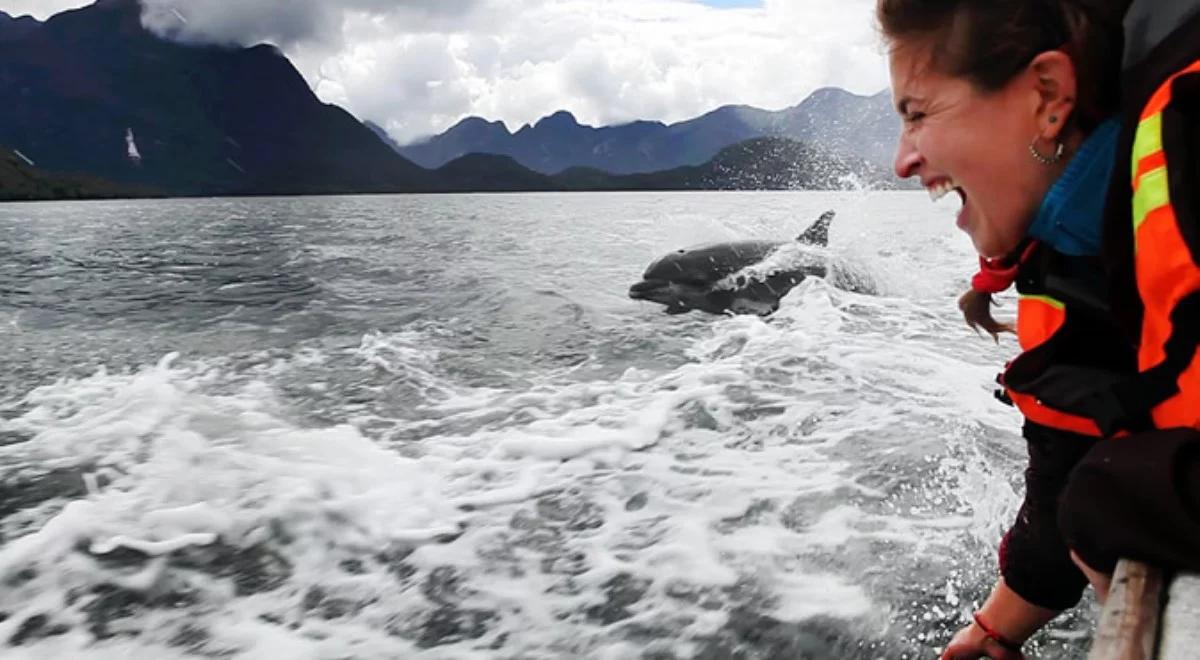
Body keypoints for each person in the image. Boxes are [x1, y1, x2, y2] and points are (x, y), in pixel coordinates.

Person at [876, 0, 1134, 658]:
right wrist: (993, 633)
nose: (902, 161)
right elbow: (1064, 475)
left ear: (1047, 96)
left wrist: (1114, 504)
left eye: (918, 114)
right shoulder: (1073, 265)